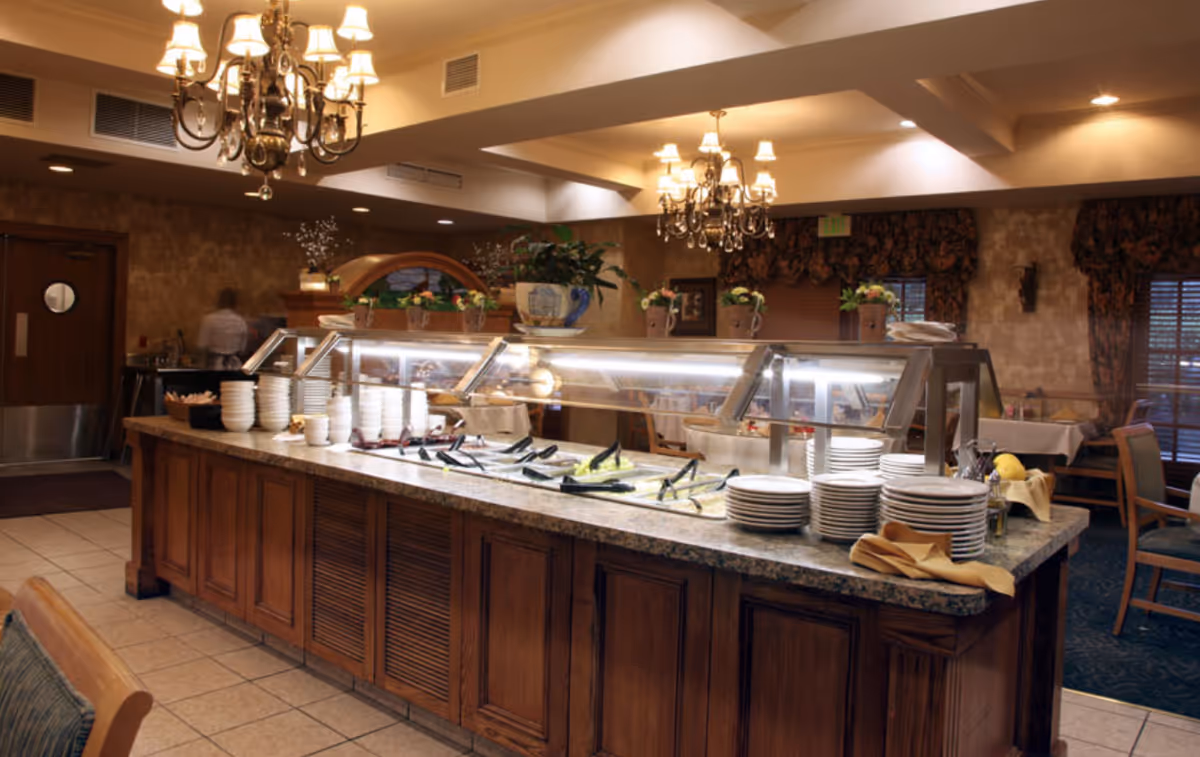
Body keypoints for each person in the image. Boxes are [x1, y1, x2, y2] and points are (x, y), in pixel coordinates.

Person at [198, 288, 248, 370]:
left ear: (219, 302)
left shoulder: (208, 320)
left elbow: (202, 347)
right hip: (234, 366)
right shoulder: (241, 322)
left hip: (214, 367)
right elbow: (242, 349)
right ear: (234, 303)